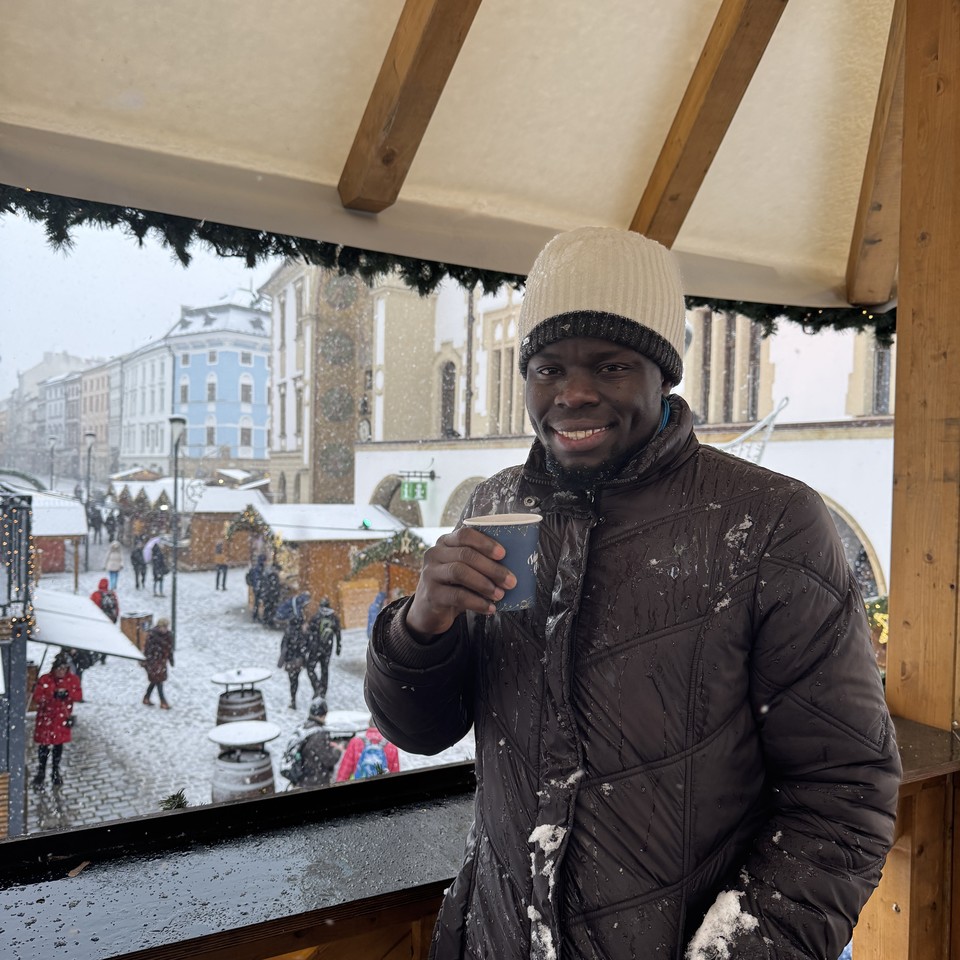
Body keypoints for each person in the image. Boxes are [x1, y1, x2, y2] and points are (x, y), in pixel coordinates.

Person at [364, 227, 902, 959]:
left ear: (663, 375)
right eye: (548, 368)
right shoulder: (496, 506)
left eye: (610, 365)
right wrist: (420, 629)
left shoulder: (769, 522)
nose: (573, 393)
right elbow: (422, 732)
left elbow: (845, 791)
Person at [30, 653, 82, 789]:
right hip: (46, 718)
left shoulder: (72, 680)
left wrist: (68, 694)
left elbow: (78, 695)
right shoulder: (45, 679)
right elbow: (37, 697)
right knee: (44, 746)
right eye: (59, 668)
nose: (61, 671)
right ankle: (41, 772)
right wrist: (52, 694)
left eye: (63, 668)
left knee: (58, 746)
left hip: (61, 719)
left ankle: (55, 771)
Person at [280, 697, 344, 789]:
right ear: (323, 715)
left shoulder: (302, 727)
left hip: (300, 779)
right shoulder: (319, 734)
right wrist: (338, 750)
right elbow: (329, 760)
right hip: (313, 782)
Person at [335, 719, 399, 781]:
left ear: (369, 723)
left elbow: (344, 771)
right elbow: (395, 772)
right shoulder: (391, 746)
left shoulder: (356, 742)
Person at [277, 593, 311, 709]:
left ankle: (293, 699)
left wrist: (283, 659)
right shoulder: (302, 633)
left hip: (290, 661)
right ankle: (294, 696)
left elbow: (283, 646)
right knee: (296, 679)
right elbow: (307, 645)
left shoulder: (288, 632)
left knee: (292, 680)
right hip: (299, 660)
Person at [305, 596, 342, 698]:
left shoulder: (316, 617)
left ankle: (317, 687)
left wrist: (306, 647)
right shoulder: (334, 618)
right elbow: (338, 633)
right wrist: (338, 647)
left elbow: (309, 633)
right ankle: (323, 692)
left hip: (315, 648)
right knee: (324, 670)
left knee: (310, 668)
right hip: (327, 648)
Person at [142, 617, 175, 709]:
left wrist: (171, 659)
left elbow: (169, 649)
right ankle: (163, 701)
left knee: (155, 680)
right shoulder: (152, 636)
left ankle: (146, 698)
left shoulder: (168, 636)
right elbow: (147, 650)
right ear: (159, 627)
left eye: (166, 627)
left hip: (162, 661)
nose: (165, 629)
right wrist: (148, 661)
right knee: (158, 680)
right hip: (153, 661)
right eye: (163, 627)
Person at [246, 553, 267, 620]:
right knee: (259, 602)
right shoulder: (259, 568)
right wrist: (259, 586)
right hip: (258, 587)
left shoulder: (257, 567)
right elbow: (257, 578)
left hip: (257, 587)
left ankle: (255, 615)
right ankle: (256, 616)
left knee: (257, 602)